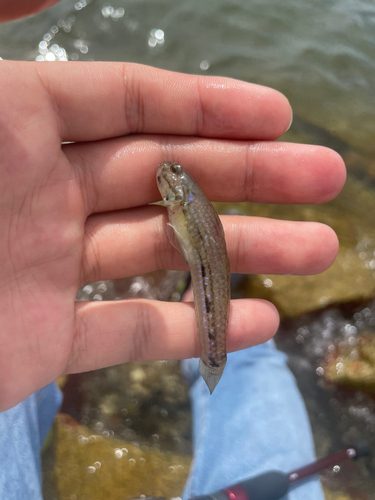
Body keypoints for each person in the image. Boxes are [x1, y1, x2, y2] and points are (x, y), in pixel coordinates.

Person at [0, 1, 346, 498]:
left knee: (19, 406)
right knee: (253, 369)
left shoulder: (180, 198)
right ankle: (215, 340)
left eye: (171, 181)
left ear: (176, 196)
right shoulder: (178, 199)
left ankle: (209, 330)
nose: (166, 177)